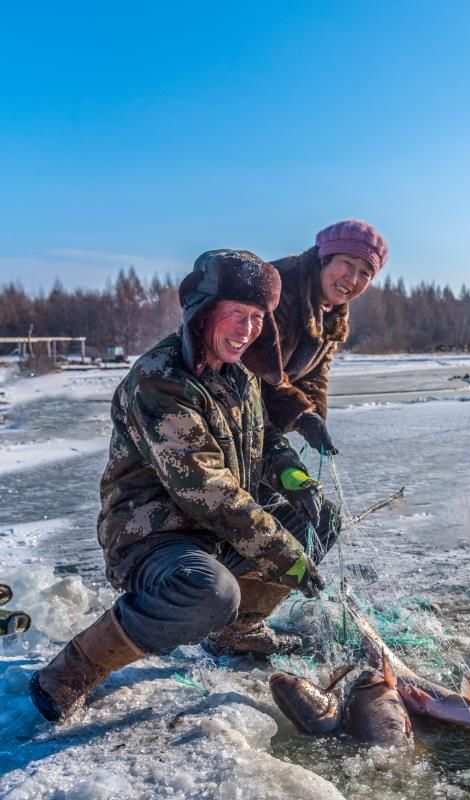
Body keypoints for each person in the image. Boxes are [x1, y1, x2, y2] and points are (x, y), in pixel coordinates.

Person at [29, 249, 339, 724]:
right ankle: (73, 669)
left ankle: (235, 631)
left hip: (214, 532)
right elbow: (207, 488)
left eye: (257, 317)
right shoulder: (161, 381)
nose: (247, 329)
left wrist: (297, 482)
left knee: (319, 520)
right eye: (236, 314)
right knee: (210, 592)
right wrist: (286, 555)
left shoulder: (239, 375)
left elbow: (266, 440)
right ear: (204, 312)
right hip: (153, 538)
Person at [244, 219, 388, 455]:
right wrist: (299, 414)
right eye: (347, 264)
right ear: (325, 258)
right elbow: (256, 371)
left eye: (365, 273)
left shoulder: (333, 312)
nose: (352, 280)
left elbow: (315, 376)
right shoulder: (277, 288)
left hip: (262, 415)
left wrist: (313, 415)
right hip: (222, 405)